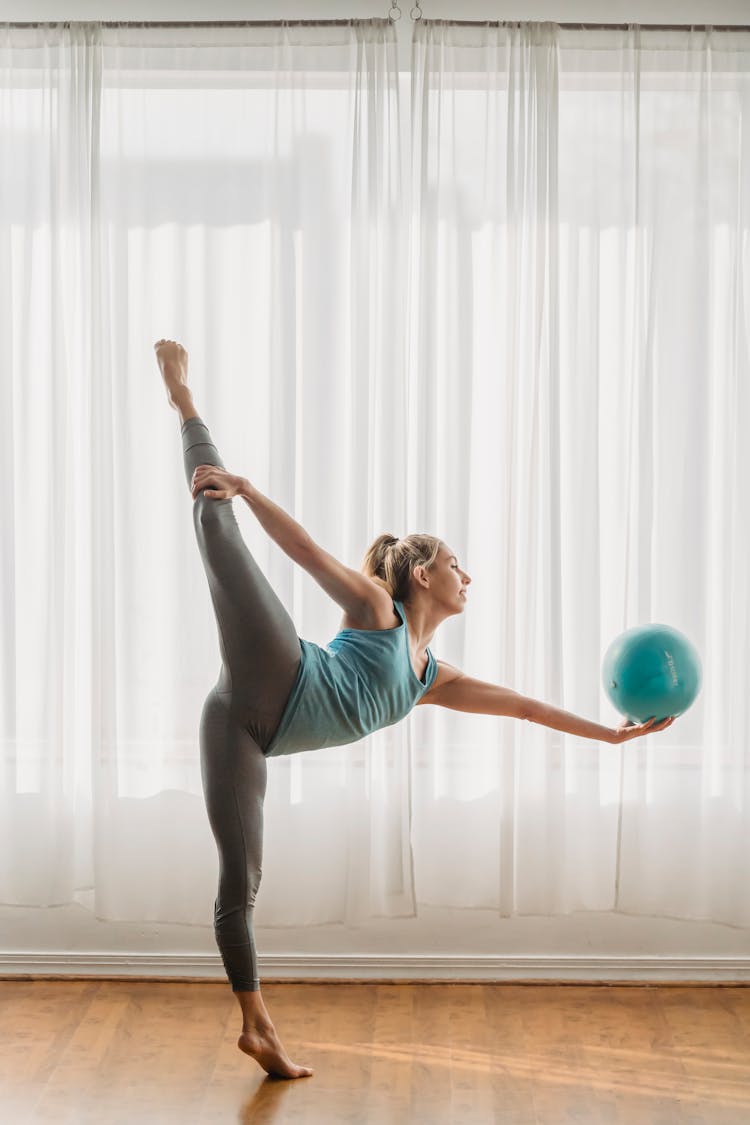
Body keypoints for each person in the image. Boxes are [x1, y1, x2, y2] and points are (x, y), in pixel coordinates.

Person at [154, 339, 674, 1080]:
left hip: (241, 730)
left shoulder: (431, 676)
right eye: (458, 563)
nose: (470, 575)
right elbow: (306, 553)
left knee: (241, 881)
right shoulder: (376, 610)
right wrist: (248, 487)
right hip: (277, 671)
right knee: (217, 523)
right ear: (423, 573)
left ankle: (257, 1027)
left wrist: (613, 737)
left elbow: (525, 707)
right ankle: (182, 398)